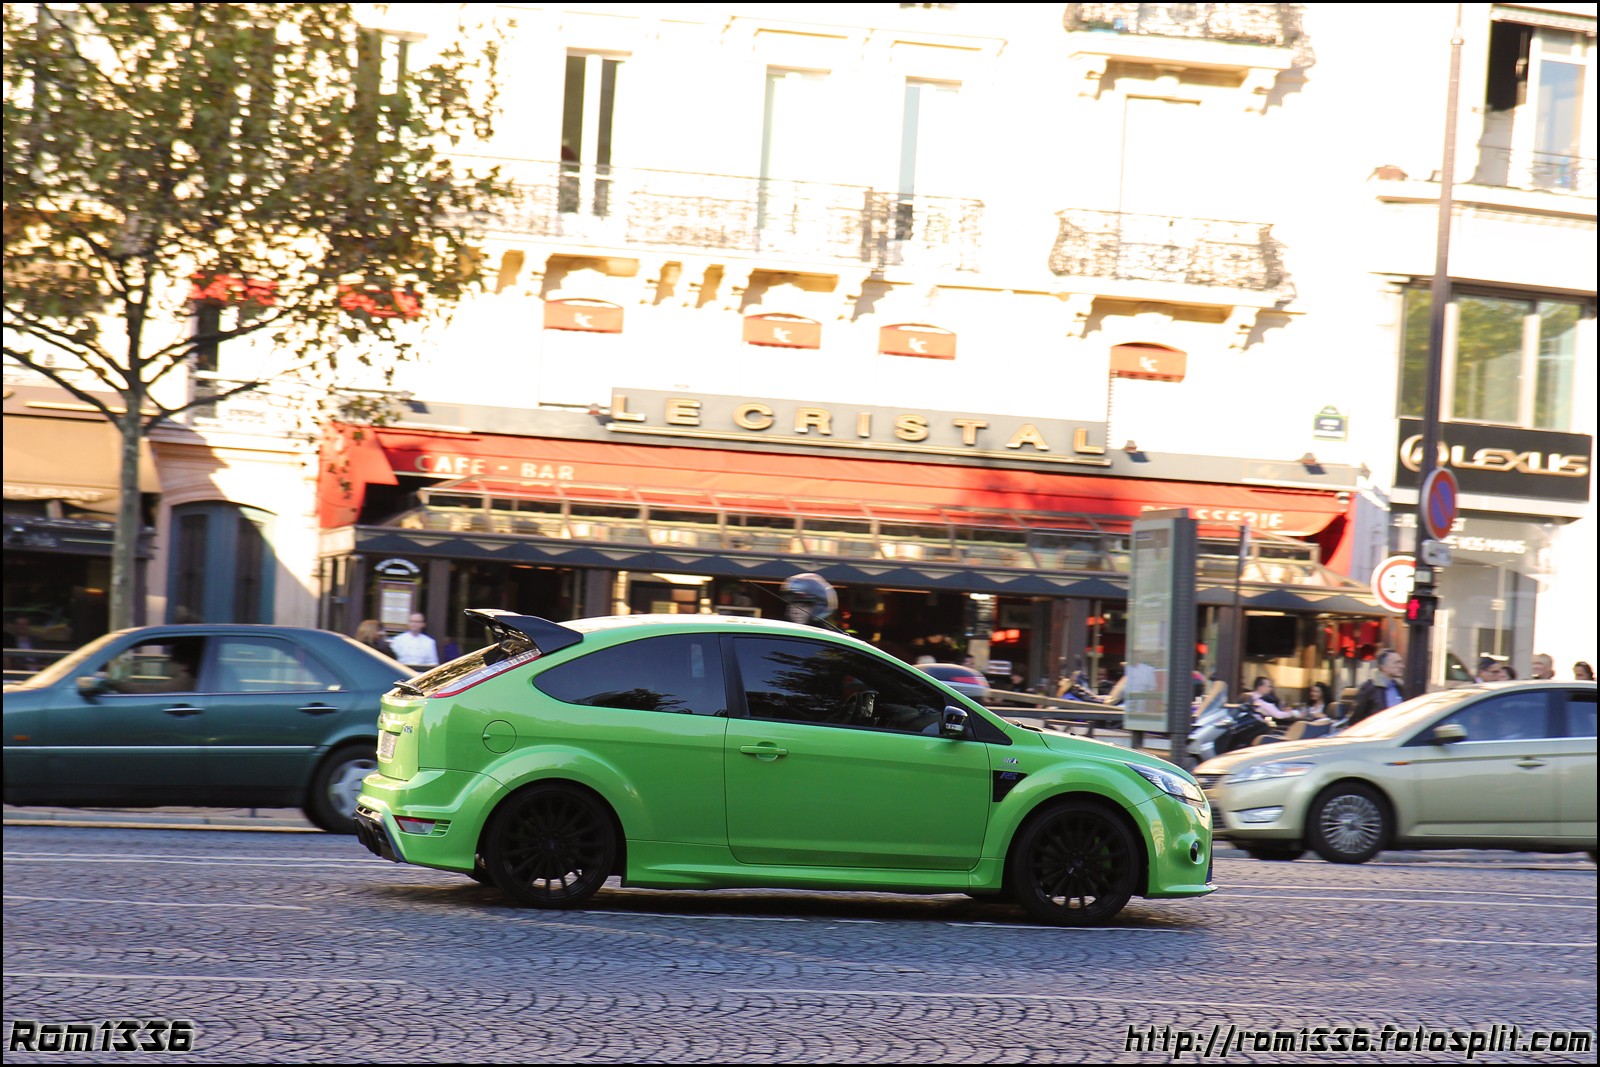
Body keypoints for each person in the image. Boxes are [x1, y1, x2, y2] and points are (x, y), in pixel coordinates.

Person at [1346, 649, 1406, 727]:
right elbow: (1356, 717)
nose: (1402, 666)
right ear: (1383, 667)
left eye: (1401, 662)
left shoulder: (1399, 687)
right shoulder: (1370, 688)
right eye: (1396, 663)